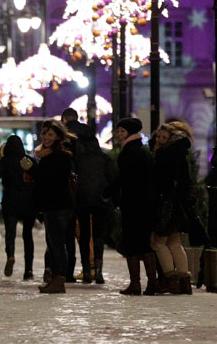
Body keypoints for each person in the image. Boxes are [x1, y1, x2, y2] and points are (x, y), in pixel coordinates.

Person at [61, 107, 113, 285]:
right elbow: (112, 178)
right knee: (98, 235)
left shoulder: (76, 159)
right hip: (100, 200)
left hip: (81, 199)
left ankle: (87, 271)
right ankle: (98, 269)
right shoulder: (103, 158)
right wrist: (108, 197)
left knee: (83, 235)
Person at [26, 119, 77, 294]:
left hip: (58, 205)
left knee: (57, 243)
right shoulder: (46, 155)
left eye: (50, 134)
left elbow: (50, 181)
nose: (46, 137)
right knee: (53, 242)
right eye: (44, 134)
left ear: (57, 136)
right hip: (52, 205)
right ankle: (55, 277)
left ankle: (60, 279)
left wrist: (32, 170)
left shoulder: (59, 156)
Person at [112, 117, 159, 296]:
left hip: (133, 204)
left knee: (131, 243)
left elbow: (125, 178)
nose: (118, 135)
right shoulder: (142, 150)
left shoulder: (129, 152)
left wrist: (110, 191)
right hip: (145, 204)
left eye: (122, 131)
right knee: (145, 244)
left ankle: (135, 283)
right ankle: (152, 283)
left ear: (130, 133)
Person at [149, 122, 197, 295]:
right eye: (158, 137)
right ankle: (185, 282)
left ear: (170, 139)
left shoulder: (163, 154)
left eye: (164, 137)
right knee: (175, 243)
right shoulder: (180, 153)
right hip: (179, 202)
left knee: (158, 242)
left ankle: (171, 280)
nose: (160, 140)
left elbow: (157, 181)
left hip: (166, 203)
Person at [0, 135, 37, 280]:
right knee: (28, 236)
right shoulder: (29, 161)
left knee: (10, 233)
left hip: (10, 202)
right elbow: (38, 180)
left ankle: (11, 254)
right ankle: (29, 270)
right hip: (29, 204)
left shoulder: (5, 161)